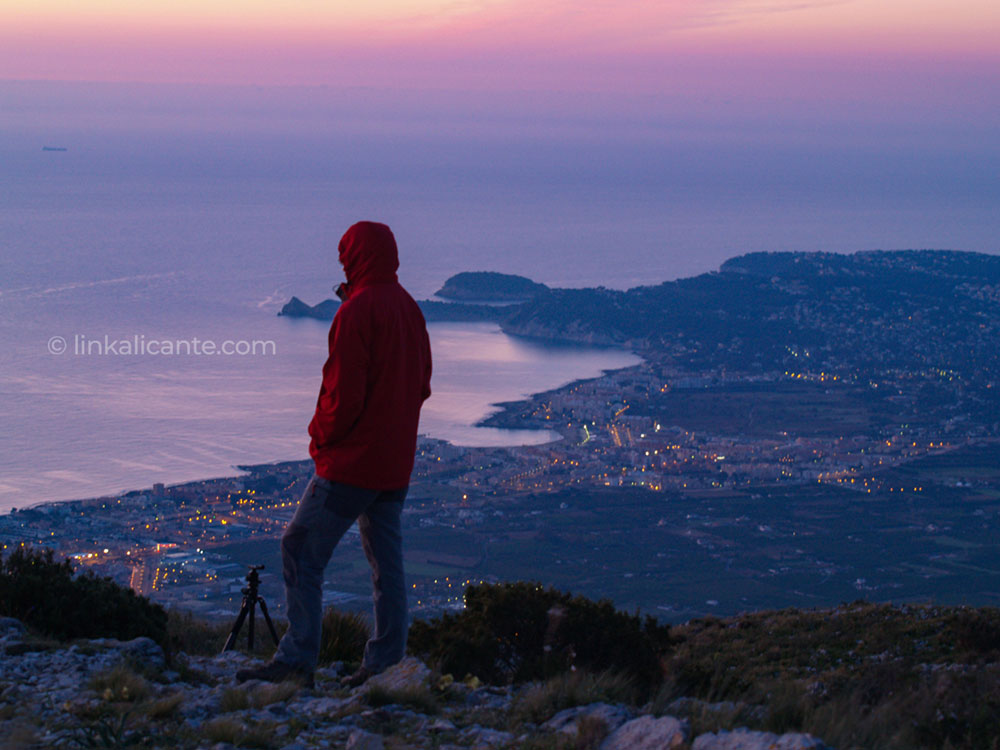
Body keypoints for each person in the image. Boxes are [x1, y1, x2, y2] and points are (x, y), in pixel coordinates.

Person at [238, 221, 432, 688]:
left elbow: (341, 397)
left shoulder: (357, 311)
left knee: (300, 552)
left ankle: (296, 661)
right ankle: (386, 666)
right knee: (387, 567)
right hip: (394, 465)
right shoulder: (409, 309)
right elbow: (422, 385)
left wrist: (320, 439)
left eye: (345, 255)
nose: (342, 263)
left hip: (352, 465)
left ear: (355, 256)